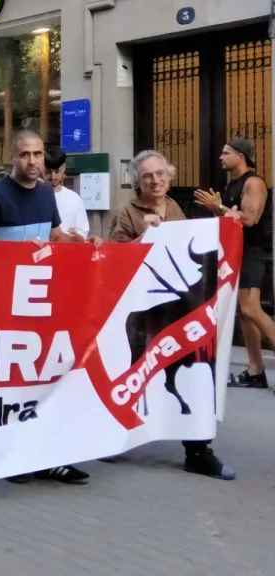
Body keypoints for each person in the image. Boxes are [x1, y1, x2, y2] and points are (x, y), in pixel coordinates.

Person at [110, 149, 236, 481]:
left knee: (196, 373)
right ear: (137, 181)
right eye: (148, 176)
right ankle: (116, 432)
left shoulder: (177, 208)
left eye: (161, 174)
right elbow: (113, 262)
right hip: (151, 312)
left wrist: (228, 225)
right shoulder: (126, 213)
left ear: (170, 176)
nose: (155, 180)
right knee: (138, 371)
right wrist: (142, 237)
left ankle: (198, 450)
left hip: (185, 311)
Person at [0, 130, 91, 485]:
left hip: (41, 306)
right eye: (25, 154)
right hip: (4, 309)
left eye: (38, 154)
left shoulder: (45, 193)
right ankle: (13, 456)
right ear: (12, 157)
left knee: (46, 381)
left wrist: (85, 245)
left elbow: (55, 235)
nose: (33, 162)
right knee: (10, 387)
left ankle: (48, 456)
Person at [194, 138, 273, 389]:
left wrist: (217, 206)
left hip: (253, 251)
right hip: (235, 251)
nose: (220, 157)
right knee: (244, 313)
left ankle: (257, 369)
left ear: (241, 156)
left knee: (250, 308)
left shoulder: (254, 182)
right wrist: (220, 209)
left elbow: (249, 219)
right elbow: (232, 219)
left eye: (225, 153)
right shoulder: (232, 185)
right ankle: (255, 370)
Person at [45, 149, 90, 239]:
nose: (53, 176)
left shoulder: (74, 199)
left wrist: (77, 237)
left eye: (57, 171)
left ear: (63, 169)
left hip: (66, 251)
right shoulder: (34, 196)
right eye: (49, 172)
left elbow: (83, 234)